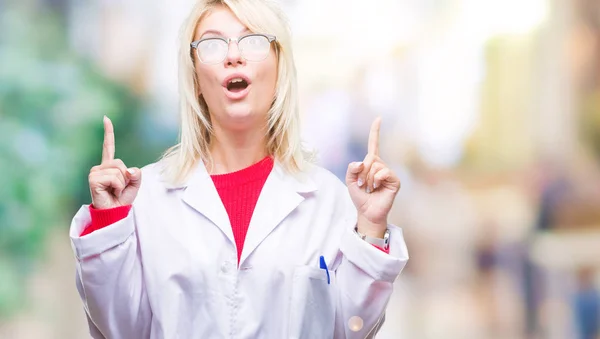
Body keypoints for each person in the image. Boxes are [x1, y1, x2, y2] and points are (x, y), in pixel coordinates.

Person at [69, 0, 408, 338]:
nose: (233, 55)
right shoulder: (148, 197)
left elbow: (351, 329)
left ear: (279, 70)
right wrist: (111, 223)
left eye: (253, 40)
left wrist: (371, 226)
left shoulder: (328, 200)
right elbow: (121, 329)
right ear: (196, 79)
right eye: (213, 44)